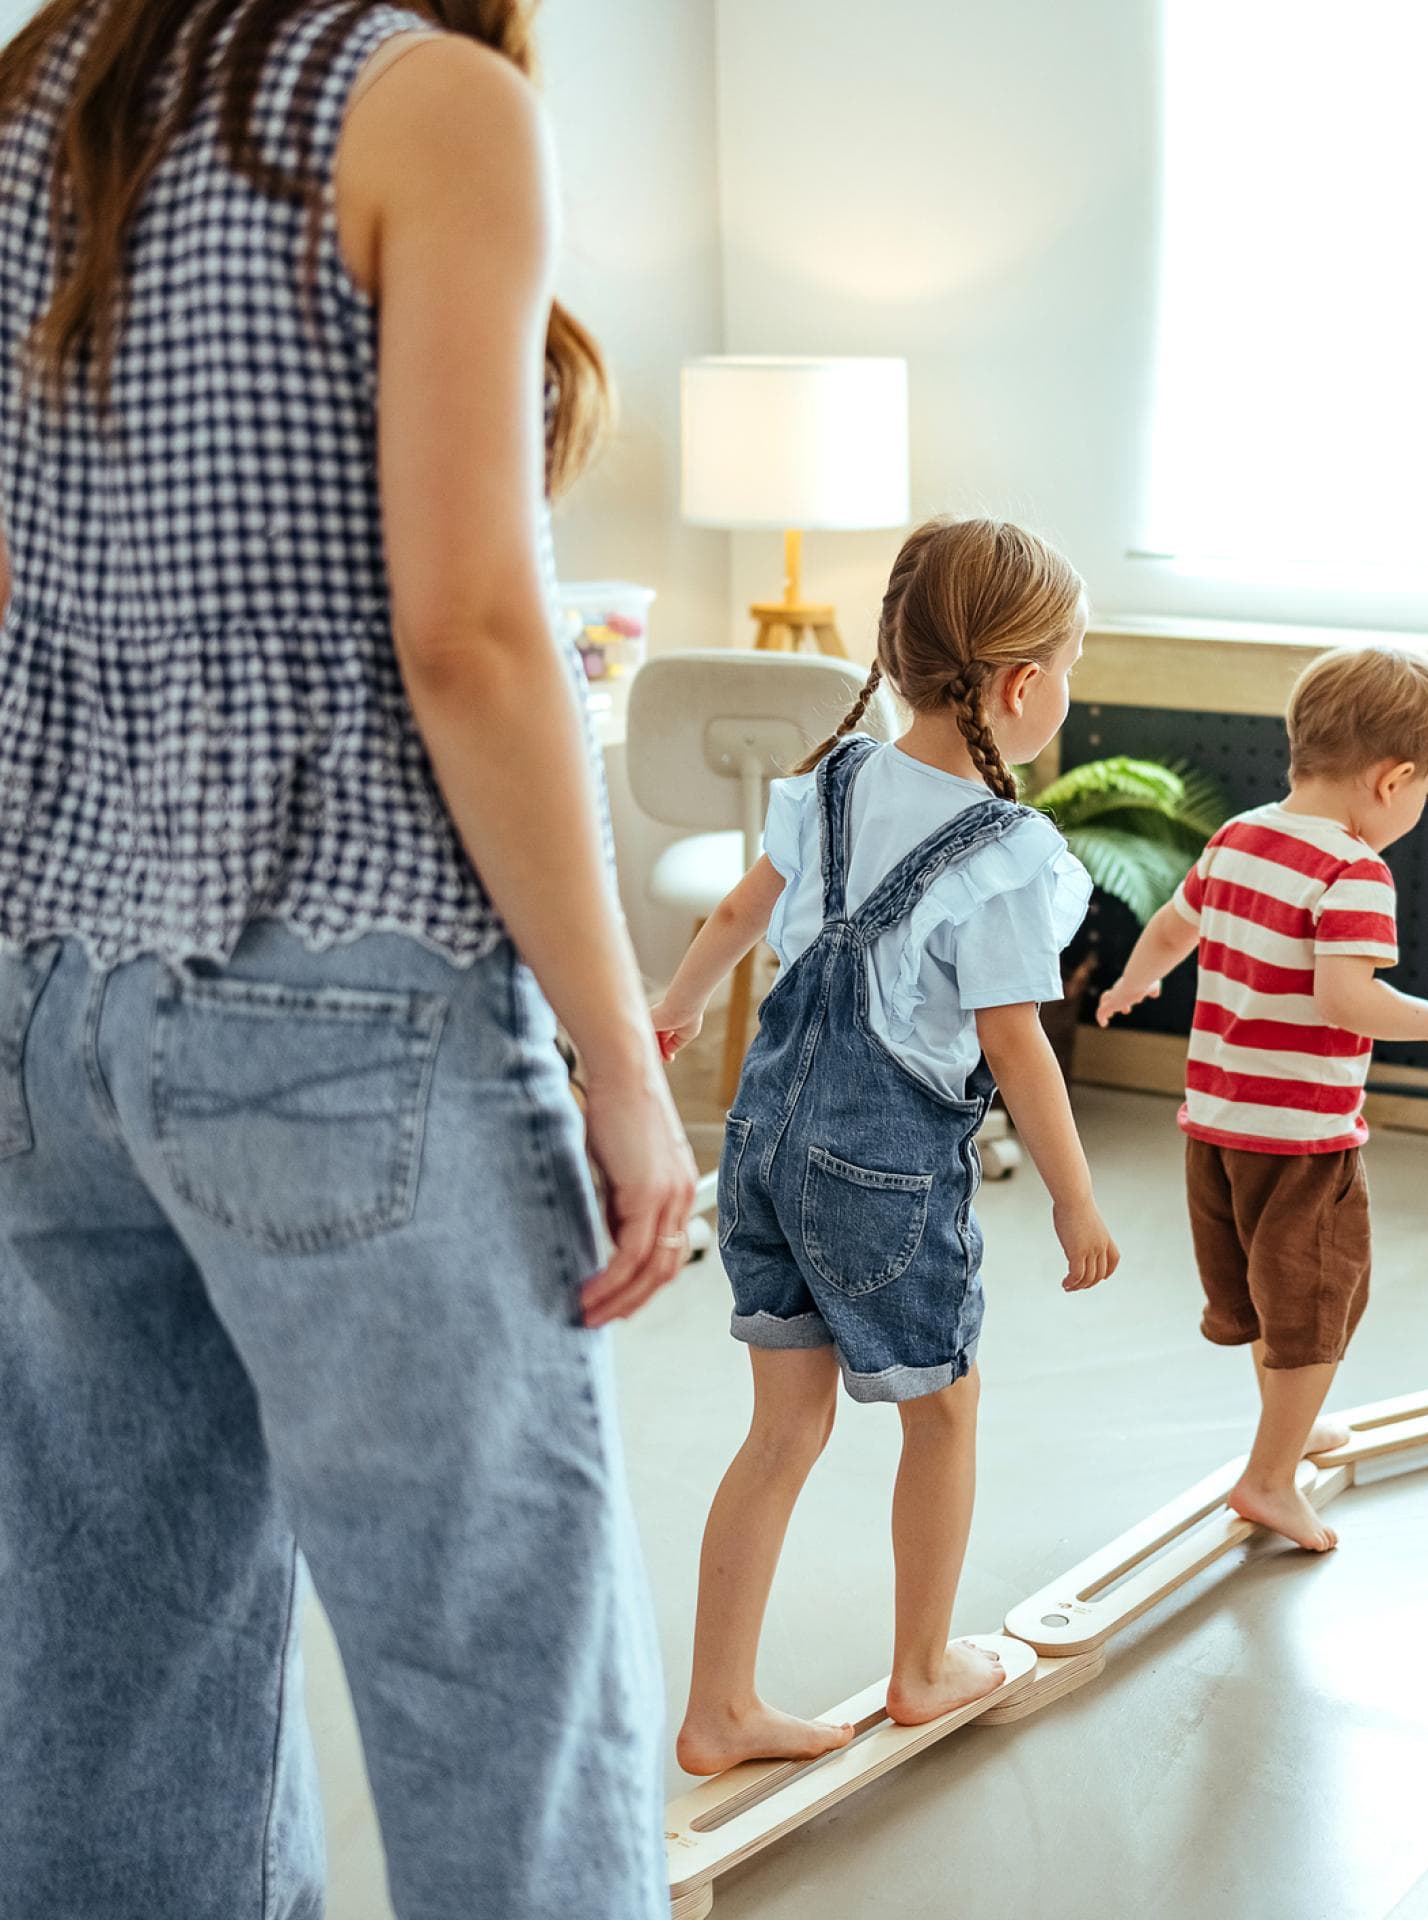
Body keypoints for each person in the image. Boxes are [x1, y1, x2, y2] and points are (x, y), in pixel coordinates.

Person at [0, 5, 693, 1915]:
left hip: (43, 1003)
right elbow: (468, 632)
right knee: (494, 1670)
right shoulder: (423, 103)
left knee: (103, 1668)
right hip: (346, 1001)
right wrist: (621, 1061)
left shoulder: (38, 91)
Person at [652, 517, 1120, 1773]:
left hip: (759, 1145)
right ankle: (922, 1669)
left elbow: (747, 908)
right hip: (881, 1174)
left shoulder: (839, 777)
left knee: (782, 1434)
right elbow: (1016, 1050)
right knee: (943, 1418)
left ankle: (717, 1709)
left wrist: (680, 1001)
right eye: (1067, 668)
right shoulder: (1009, 853)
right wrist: (1075, 1200)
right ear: (1020, 686)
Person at [1097, 643, 1428, 1550]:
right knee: (1317, 1306)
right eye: (1425, 793)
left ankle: (1289, 1433)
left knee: (1274, 1299)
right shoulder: (1355, 873)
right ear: (1393, 780)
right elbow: (1344, 999)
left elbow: (1170, 925)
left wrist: (1130, 984)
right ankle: (1269, 1480)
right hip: (1305, 1137)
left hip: (1217, 1125)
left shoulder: (1239, 837)